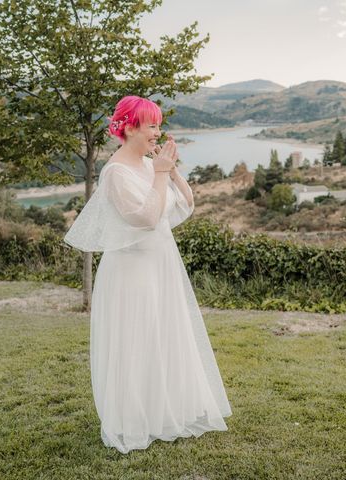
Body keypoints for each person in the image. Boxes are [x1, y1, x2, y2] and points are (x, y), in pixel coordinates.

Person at [65, 95, 231, 453]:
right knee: (138, 341)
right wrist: (158, 174)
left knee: (165, 336)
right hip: (132, 271)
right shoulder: (115, 173)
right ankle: (133, 420)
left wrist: (169, 170)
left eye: (158, 124)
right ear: (127, 127)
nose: (158, 132)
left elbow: (186, 203)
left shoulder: (148, 165)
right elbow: (144, 218)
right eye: (151, 125)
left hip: (162, 265)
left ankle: (162, 413)